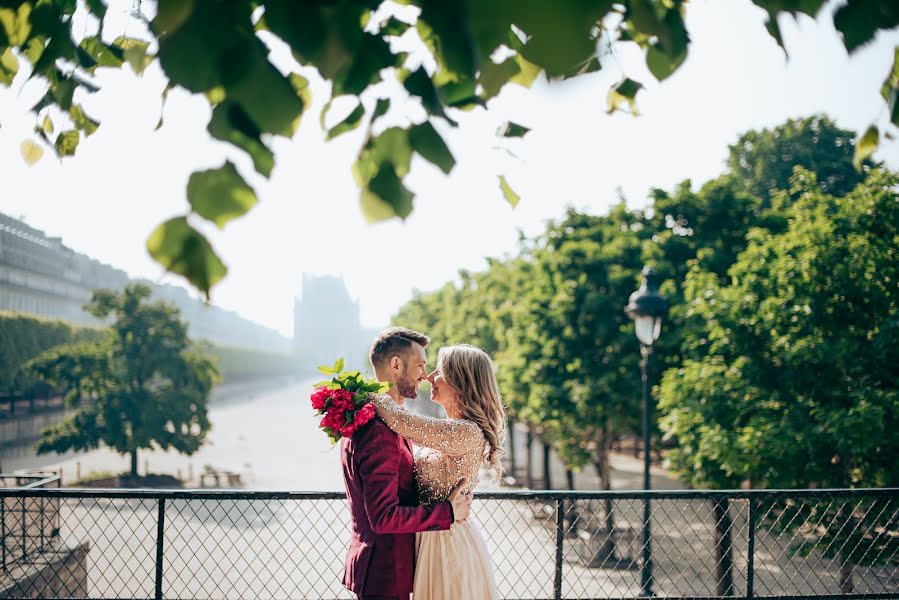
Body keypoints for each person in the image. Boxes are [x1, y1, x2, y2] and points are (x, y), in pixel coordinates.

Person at [341, 327, 472, 600]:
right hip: (386, 574)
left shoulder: (378, 421)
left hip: (390, 569)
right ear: (396, 365)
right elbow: (383, 517)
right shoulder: (378, 432)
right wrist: (447, 512)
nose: (425, 375)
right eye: (421, 365)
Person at [372, 343, 505, 599]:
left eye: (438, 370)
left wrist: (354, 393)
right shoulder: (450, 429)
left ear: (460, 381)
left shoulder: (466, 433)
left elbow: (400, 420)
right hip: (432, 536)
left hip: (447, 544)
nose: (428, 376)